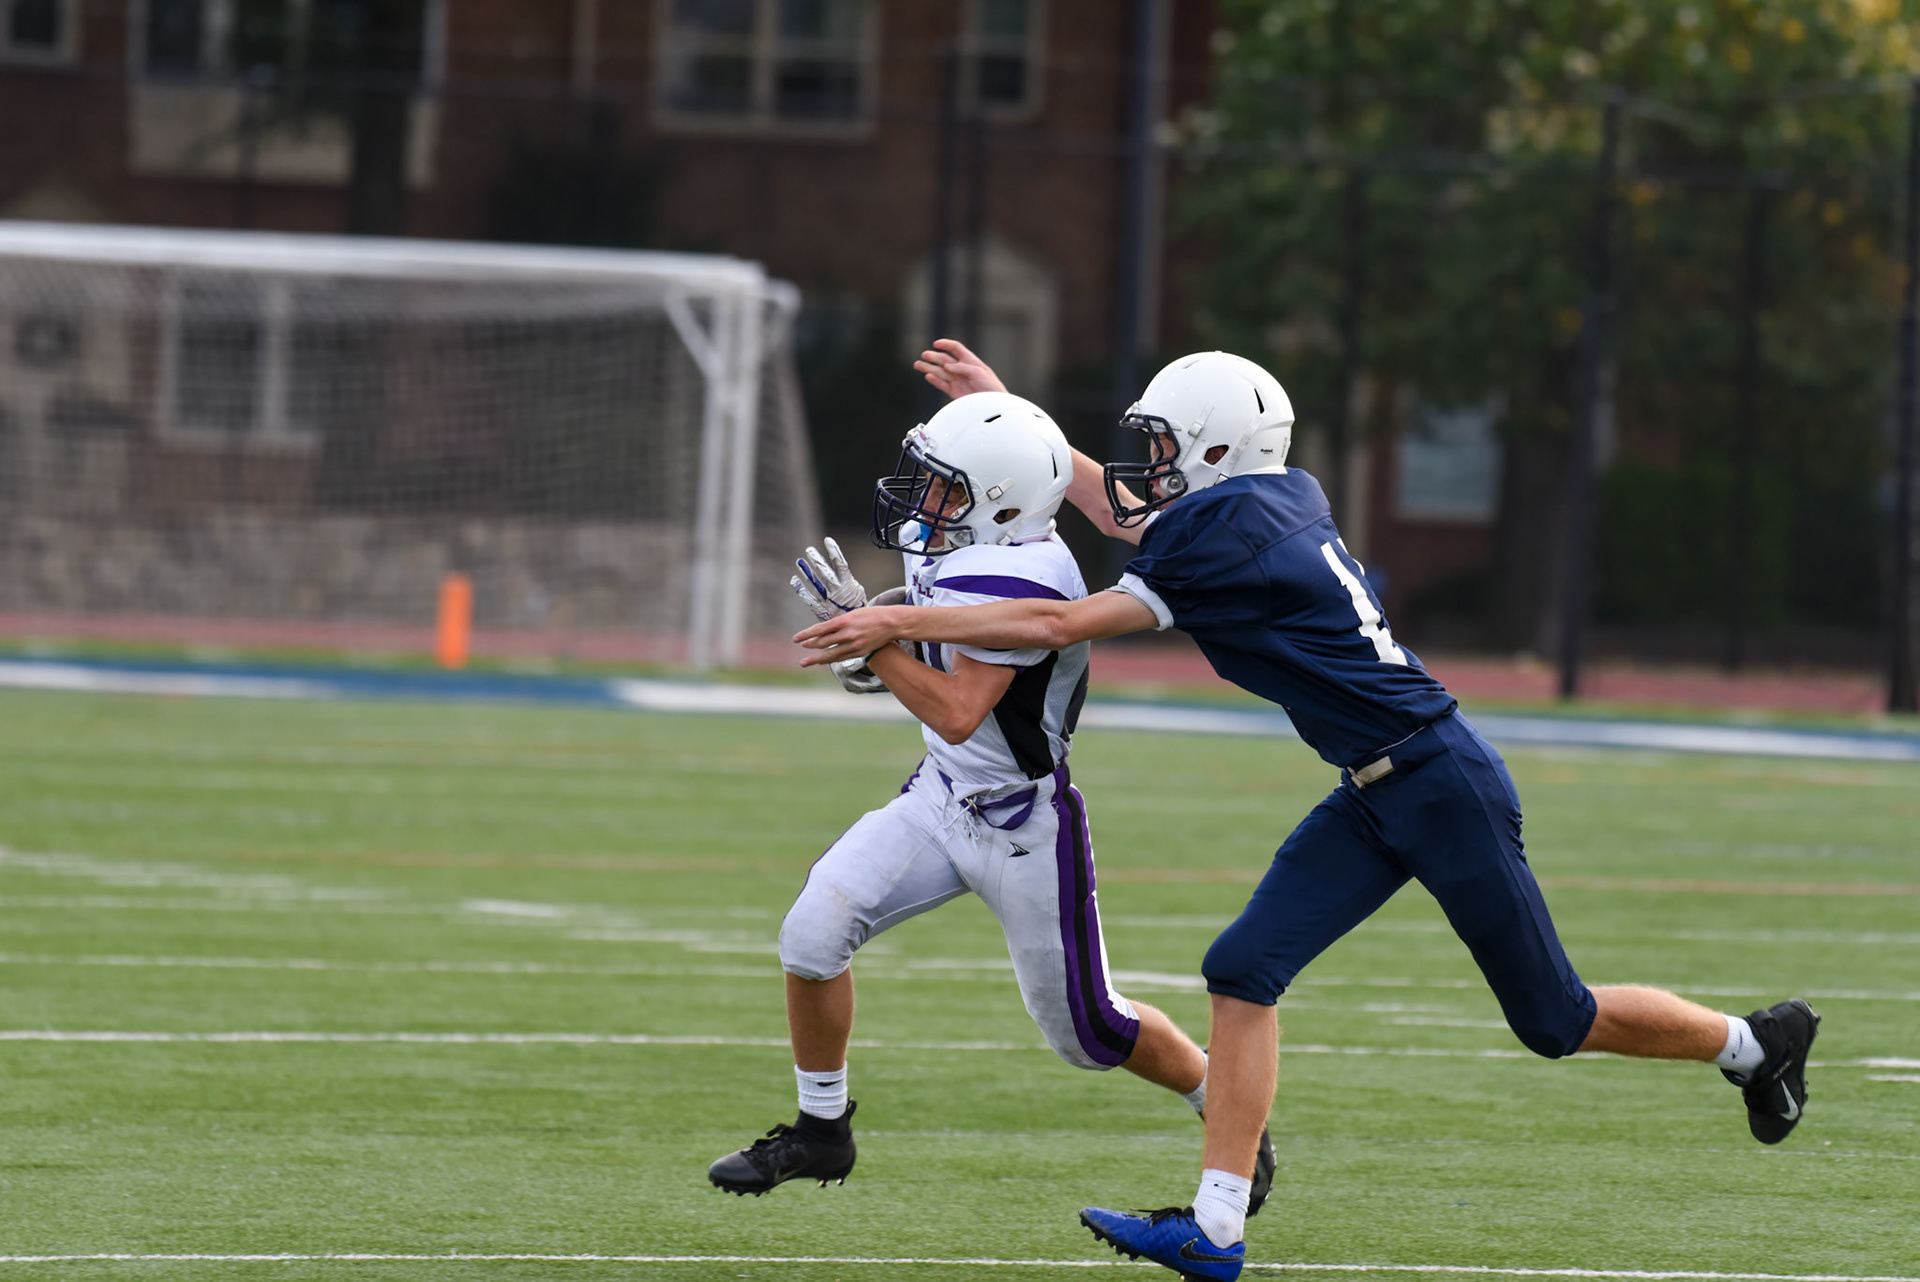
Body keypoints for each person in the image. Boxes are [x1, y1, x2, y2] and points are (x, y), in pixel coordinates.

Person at [793, 341, 1820, 1282]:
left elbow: (1062, 621)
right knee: (1242, 968)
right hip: (1374, 786)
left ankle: (1751, 1044)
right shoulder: (1261, 503)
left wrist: (894, 617)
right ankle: (1216, 1229)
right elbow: (1119, 513)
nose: (1148, 465)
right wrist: (1016, 424)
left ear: (1217, 451)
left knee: (1556, 1019)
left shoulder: (1227, 534)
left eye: (1165, 446)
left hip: (1441, 786)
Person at [708, 389, 1276, 1212]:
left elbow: (957, 709)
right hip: (940, 794)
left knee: (1090, 1032)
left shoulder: (1020, 570)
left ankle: (1223, 1103)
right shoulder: (968, 537)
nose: (927, 500)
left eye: (948, 487)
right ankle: (821, 1128)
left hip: (1022, 823)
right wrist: (876, 635)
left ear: (1003, 502)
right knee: (812, 935)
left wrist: (874, 637)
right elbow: (925, 644)